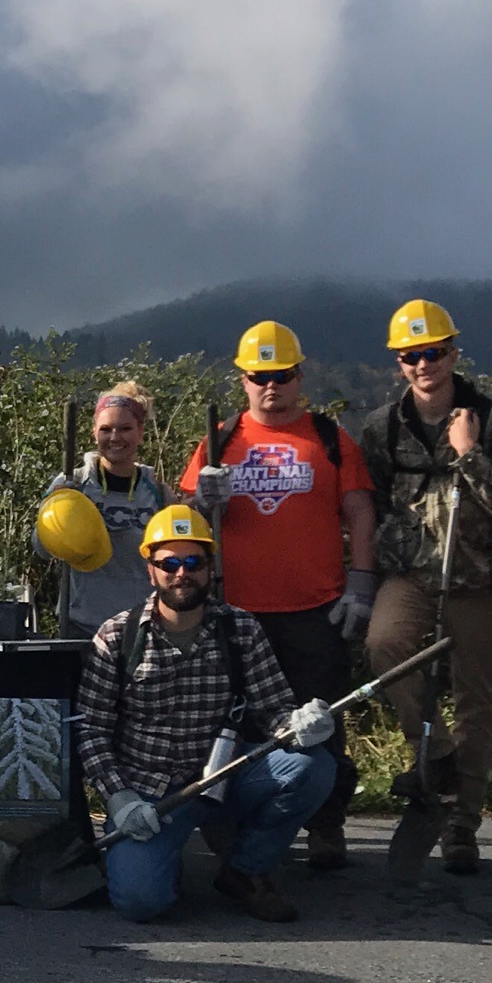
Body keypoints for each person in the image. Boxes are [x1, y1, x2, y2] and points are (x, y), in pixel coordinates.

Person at [75, 505, 337, 924]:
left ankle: (246, 870)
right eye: (170, 563)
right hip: (150, 795)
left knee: (313, 767)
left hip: (225, 780)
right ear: (151, 571)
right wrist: (119, 798)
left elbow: (274, 711)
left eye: (193, 561)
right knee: (142, 903)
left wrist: (300, 726)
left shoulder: (241, 630)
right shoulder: (116, 636)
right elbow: (91, 729)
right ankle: (161, 859)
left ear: (210, 568)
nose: (182, 573)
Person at [183, 321, 376, 870]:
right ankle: (239, 825)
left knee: (321, 723)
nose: (272, 386)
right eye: (260, 376)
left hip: (315, 611)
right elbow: (185, 527)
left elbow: (360, 510)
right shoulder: (218, 441)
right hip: (236, 613)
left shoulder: (329, 438)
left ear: (299, 375)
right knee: (235, 726)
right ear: (242, 379)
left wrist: (361, 585)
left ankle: (325, 824)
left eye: (283, 375)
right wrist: (203, 499)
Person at [356, 300, 492, 876]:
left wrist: (470, 455)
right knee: (385, 647)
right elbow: (368, 504)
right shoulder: (381, 427)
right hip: (412, 573)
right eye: (413, 356)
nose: (426, 365)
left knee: (477, 697)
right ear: (400, 363)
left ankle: (462, 824)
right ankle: (438, 755)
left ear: (454, 353)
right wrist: (362, 576)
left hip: (477, 575)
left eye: (435, 353)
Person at [35, 383, 166, 637]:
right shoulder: (73, 485)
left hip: (142, 627)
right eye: (106, 429)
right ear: (94, 433)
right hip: (81, 628)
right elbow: (41, 549)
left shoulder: (158, 494)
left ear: (140, 432)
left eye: (125, 429)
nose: (115, 438)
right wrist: (55, 505)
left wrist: (202, 504)